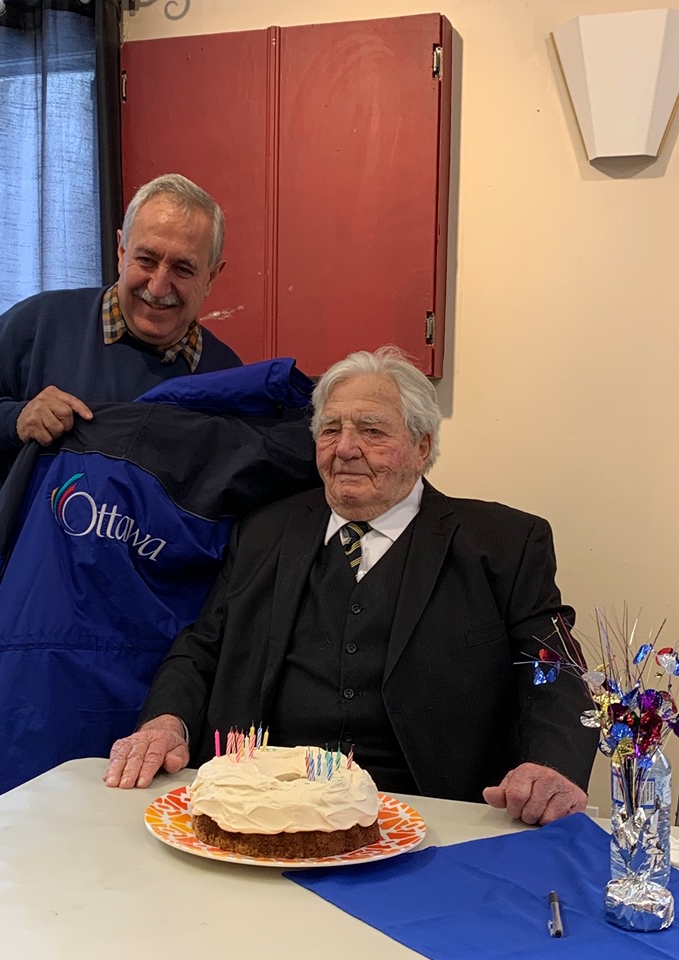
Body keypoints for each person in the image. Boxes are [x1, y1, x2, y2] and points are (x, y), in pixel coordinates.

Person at [104, 346, 598, 825]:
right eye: (330, 430)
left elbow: (552, 670)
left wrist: (551, 764)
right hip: (265, 806)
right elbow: (203, 645)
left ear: (422, 446)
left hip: (434, 816)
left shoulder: (506, 544)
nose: (345, 448)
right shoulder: (264, 533)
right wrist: (168, 720)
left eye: (372, 430)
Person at [0, 173, 241, 490]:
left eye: (183, 268)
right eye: (146, 259)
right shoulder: (41, 324)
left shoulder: (229, 380)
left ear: (211, 277)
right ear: (121, 252)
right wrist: (16, 419)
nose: (159, 287)